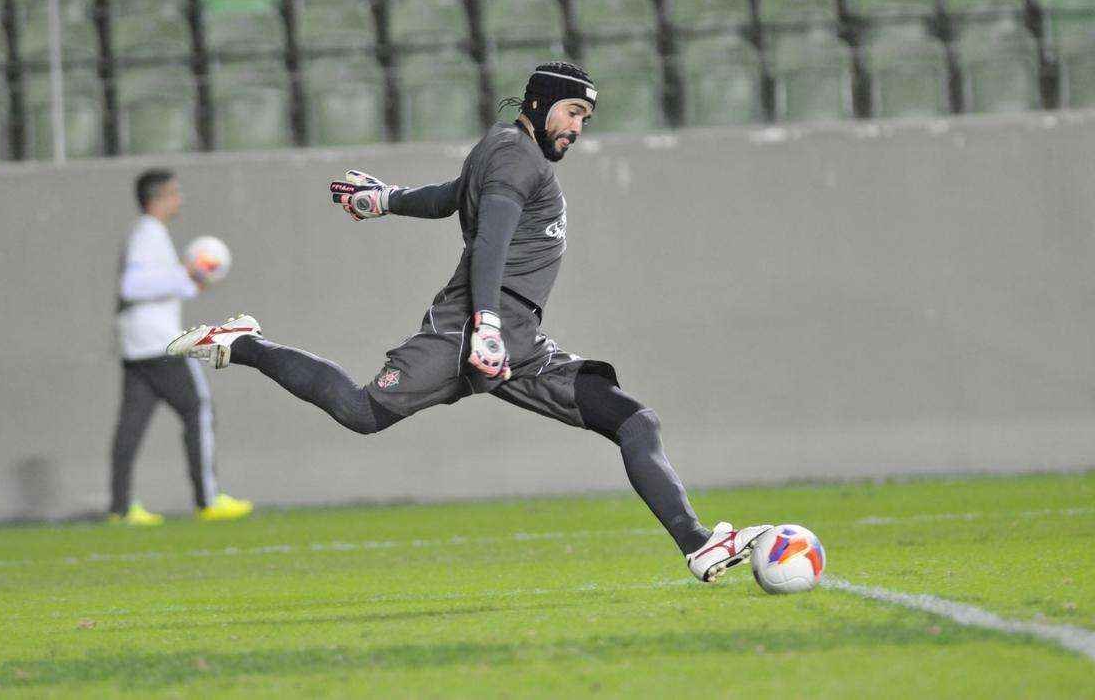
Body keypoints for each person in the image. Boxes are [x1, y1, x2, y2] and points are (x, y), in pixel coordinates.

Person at [167, 63, 770, 580]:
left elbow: (452, 196)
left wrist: (386, 200)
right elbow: (489, 246)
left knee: (635, 420)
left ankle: (699, 544)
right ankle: (245, 344)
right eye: (572, 112)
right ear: (537, 103)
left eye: (585, 118)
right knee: (360, 413)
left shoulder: (506, 148)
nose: (579, 127)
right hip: (474, 329)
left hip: (520, 341)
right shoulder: (517, 158)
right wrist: (483, 324)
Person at [110, 168, 253, 525]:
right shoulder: (149, 233)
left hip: (136, 344)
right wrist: (186, 273)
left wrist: (193, 283)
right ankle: (207, 499)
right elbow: (132, 287)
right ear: (157, 199)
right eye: (174, 193)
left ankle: (121, 507)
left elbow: (155, 286)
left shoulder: (146, 234)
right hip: (160, 344)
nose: (180, 199)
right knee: (199, 409)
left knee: (131, 427)